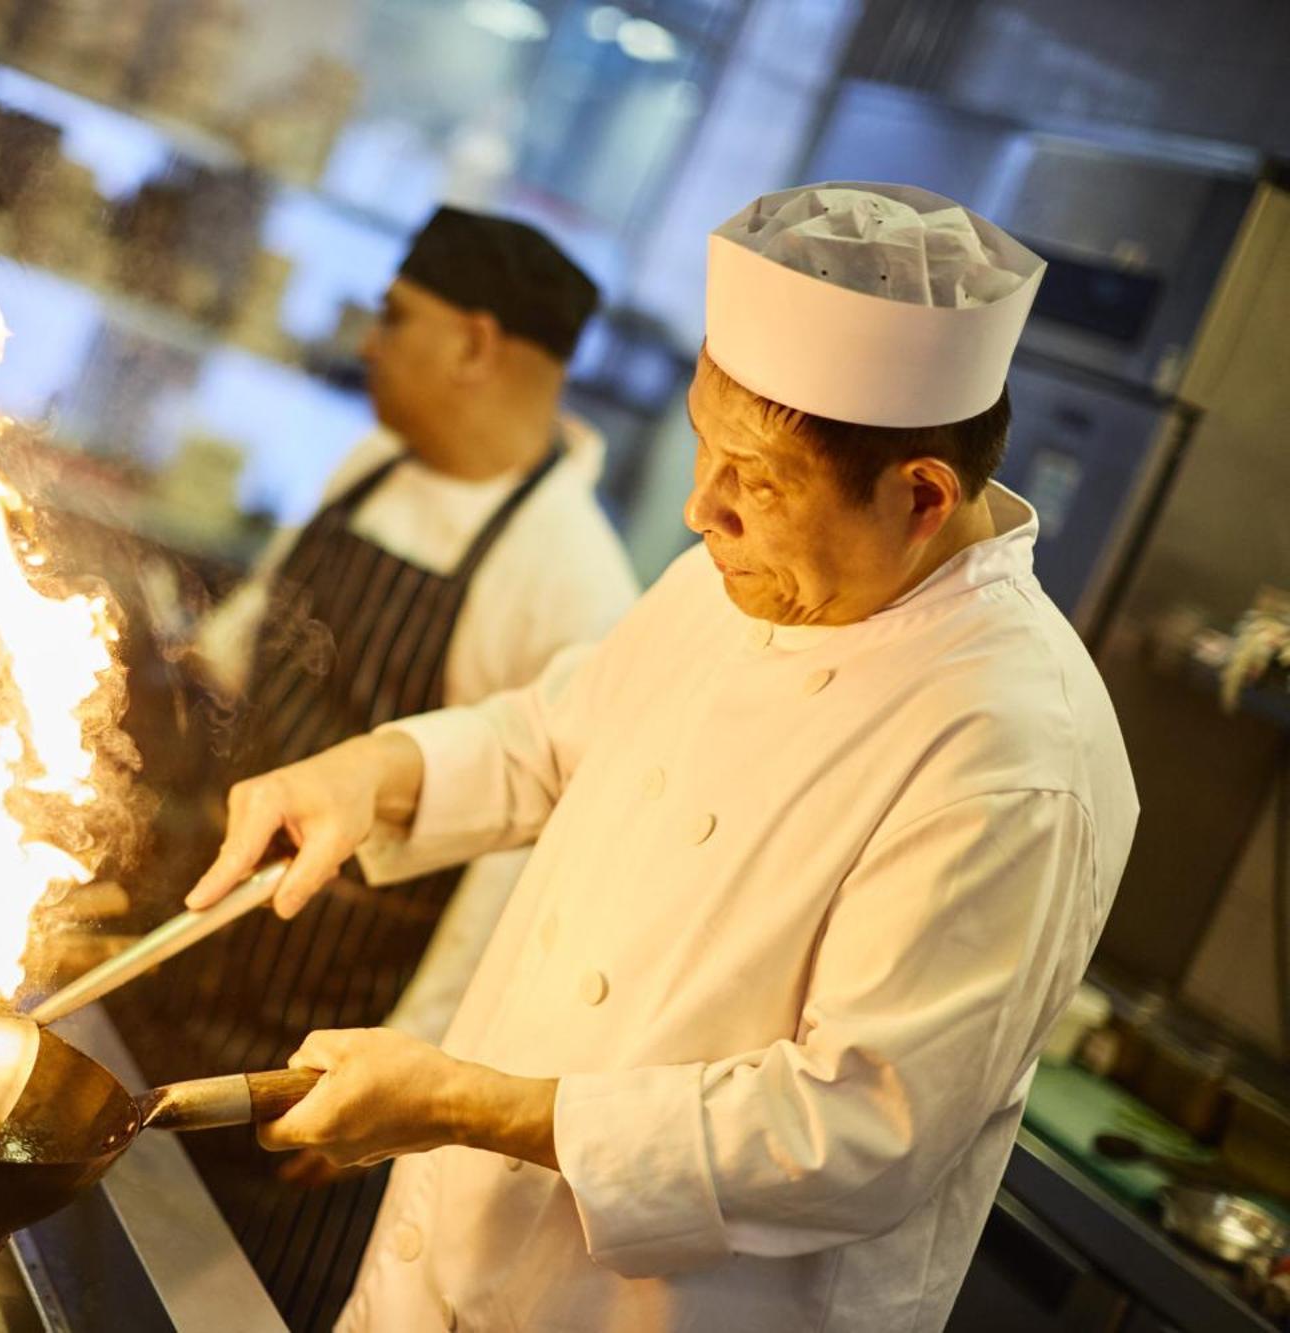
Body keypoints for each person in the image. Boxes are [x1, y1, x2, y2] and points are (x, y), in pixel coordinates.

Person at [182, 182, 1140, 1331]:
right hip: (439, 1280)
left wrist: (467, 1103)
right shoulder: (739, 577)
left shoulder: (1011, 749)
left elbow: (854, 1132)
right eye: (702, 445)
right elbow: (550, 736)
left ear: (921, 498)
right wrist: (369, 771)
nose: (698, 508)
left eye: (758, 479)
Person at [110, 207, 638, 1332]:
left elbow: (513, 886)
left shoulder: (568, 578)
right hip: (198, 943)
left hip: (327, 1027)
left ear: (474, 344)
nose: (368, 340)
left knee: (213, 1299)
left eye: (395, 317)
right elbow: (255, 647)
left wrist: (411, 1073)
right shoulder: (371, 464)